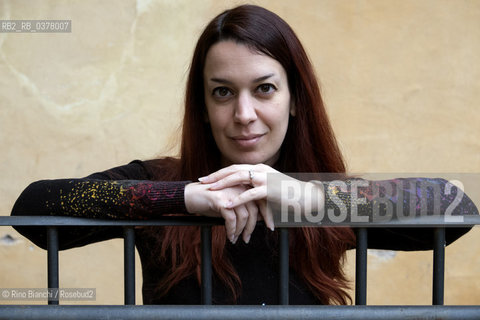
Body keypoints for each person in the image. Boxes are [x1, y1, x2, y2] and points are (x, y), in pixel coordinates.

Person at [11, 5, 478, 305]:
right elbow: (33, 207)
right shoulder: (163, 185)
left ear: (296, 99)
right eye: (222, 92)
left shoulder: (321, 199)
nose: (244, 114)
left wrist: (309, 199)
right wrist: (188, 199)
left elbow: (456, 207)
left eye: (265, 89)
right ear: (204, 105)